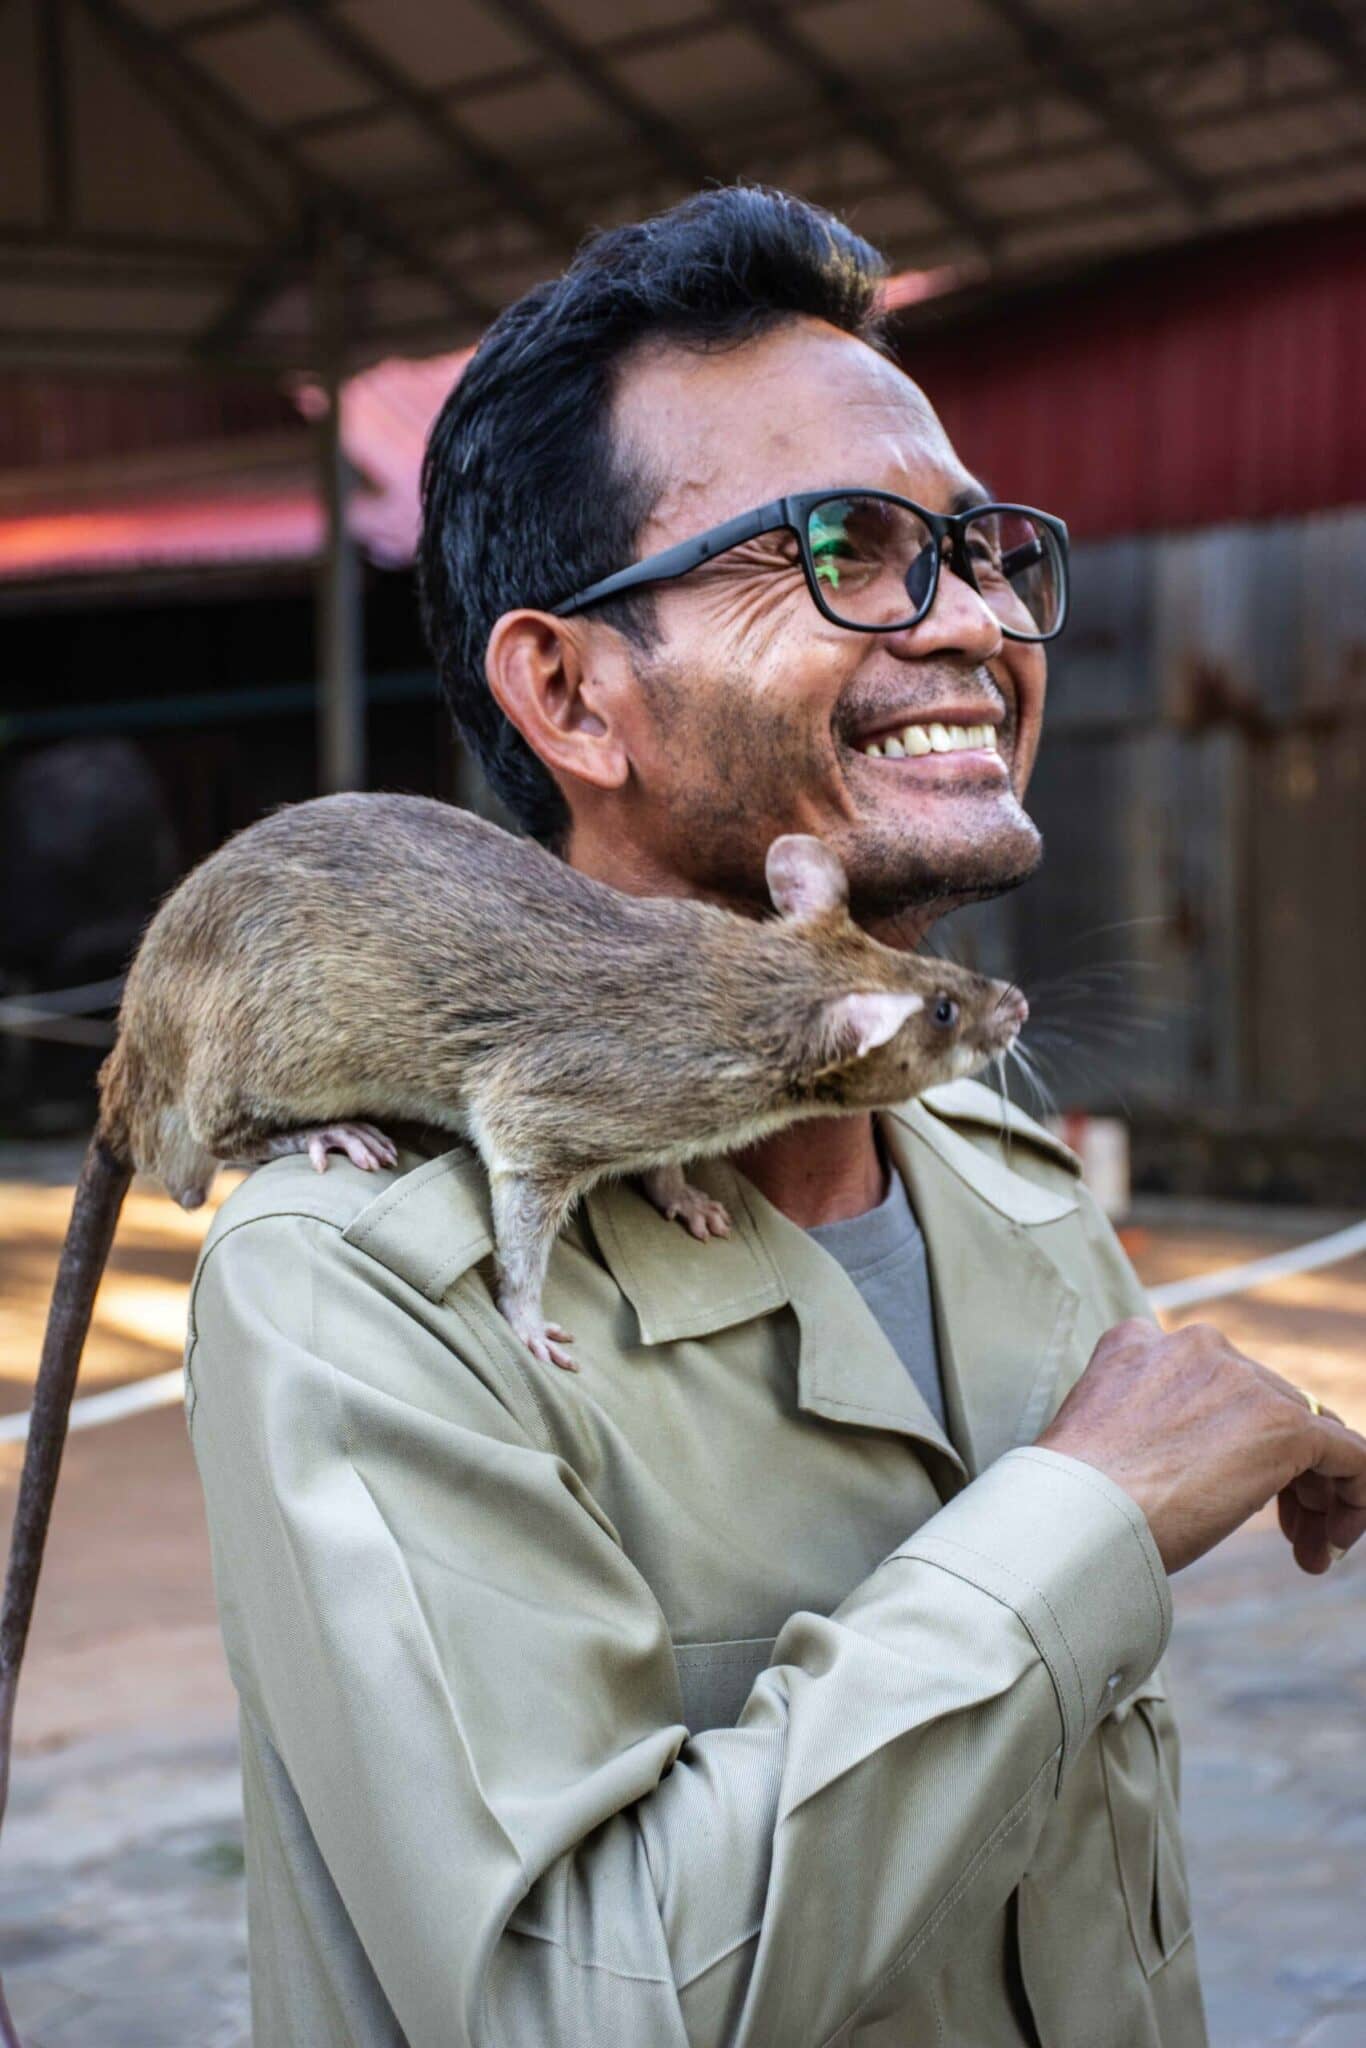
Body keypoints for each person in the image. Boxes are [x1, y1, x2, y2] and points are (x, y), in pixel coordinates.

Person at [185, 188, 1366, 2047]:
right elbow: (572, 2007)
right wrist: (1087, 1513)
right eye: (842, 547)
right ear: (572, 691)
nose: (974, 617)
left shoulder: (1007, 1179)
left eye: (980, 549)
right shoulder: (368, 1285)